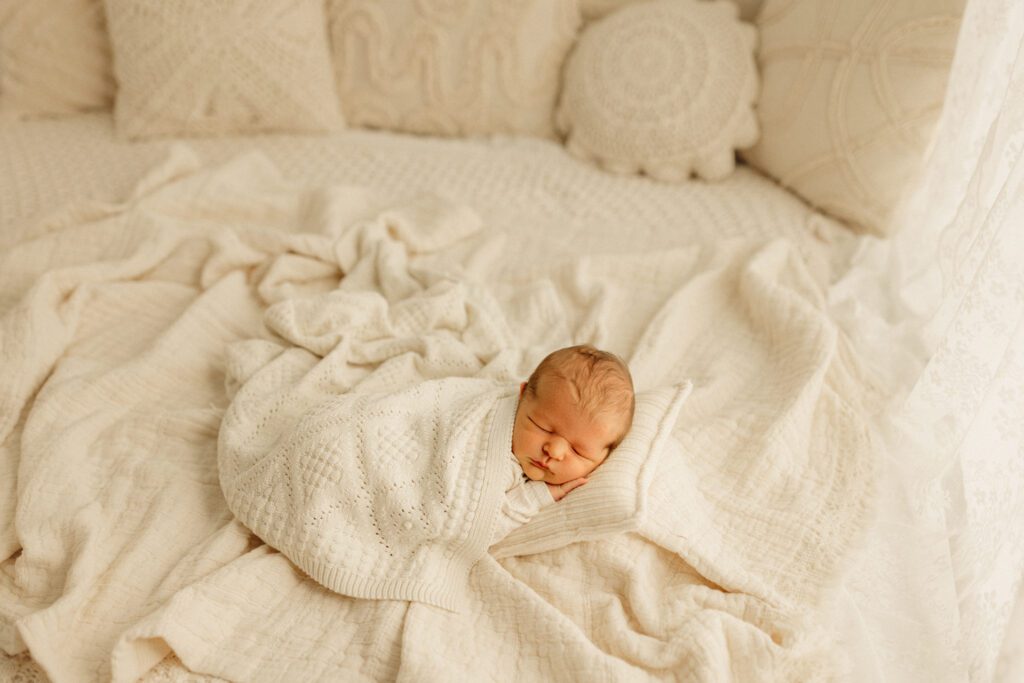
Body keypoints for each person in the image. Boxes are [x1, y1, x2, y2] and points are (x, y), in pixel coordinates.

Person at [491, 344, 635, 543]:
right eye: (543, 427)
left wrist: (542, 494)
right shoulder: (495, 451)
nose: (554, 451)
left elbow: (487, 522)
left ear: (603, 459)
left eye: (578, 451)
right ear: (522, 395)